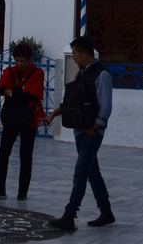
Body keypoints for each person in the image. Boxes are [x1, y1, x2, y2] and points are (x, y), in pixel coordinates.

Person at [46, 36, 115, 230]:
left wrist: (96, 128)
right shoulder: (81, 74)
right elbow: (71, 101)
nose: (73, 58)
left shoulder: (102, 75)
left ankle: (70, 214)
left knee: (80, 173)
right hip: (80, 130)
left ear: (84, 53)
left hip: (91, 132)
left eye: (75, 53)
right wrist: (53, 115)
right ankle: (106, 212)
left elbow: (106, 106)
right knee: (92, 172)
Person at [0, 41, 46, 200]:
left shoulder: (37, 73)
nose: (20, 64)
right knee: (3, 152)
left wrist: (11, 93)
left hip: (29, 118)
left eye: (23, 61)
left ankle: (23, 192)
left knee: (26, 154)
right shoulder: (9, 72)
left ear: (30, 60)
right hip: (11, 116)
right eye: (17, 61)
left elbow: (31, 96)